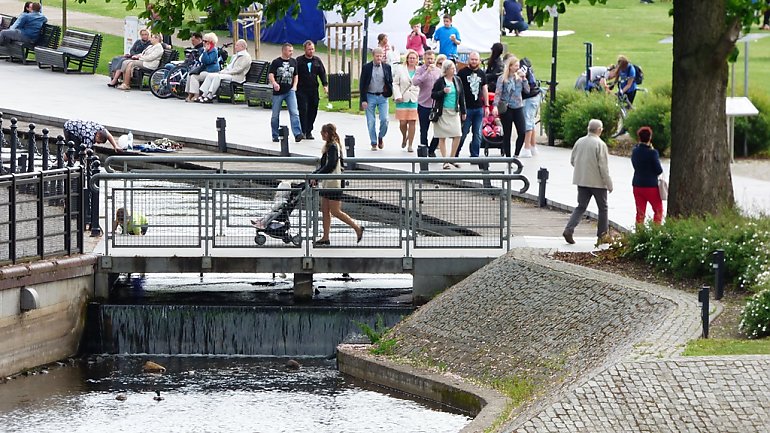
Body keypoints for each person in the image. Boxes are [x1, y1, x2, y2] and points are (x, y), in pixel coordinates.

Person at [562, 119, 613, 246]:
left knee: (581, 206)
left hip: (582, 180)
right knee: (603, 208)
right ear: (599, 130)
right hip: (597, 183)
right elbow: (603, 167)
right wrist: (609, 183)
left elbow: (572, 160)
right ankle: (602, 236)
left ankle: (569, 229)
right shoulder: (600, 144)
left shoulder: (580, 141)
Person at [312, 124, 364, 246]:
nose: (320, 134)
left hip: (334, 183)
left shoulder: (333, 147)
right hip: (327, 183)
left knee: (335, 211)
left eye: (322, 132)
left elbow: (330, 165)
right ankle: (325, 237)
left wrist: (317, 175)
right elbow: (325, 165)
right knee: (324, 210)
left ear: (326, 133)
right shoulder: (329, 146)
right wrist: (316, 174)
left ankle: (357, 227)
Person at [430, 60, 467, 169]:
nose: (454, 69)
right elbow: (433, 95)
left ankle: (452, 158)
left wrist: (463, 111)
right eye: (451, 68)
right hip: (442, 112)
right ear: (446, 70)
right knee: (442, 136)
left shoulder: (457, 80)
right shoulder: (440, 81)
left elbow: (461, 96)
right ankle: (445, 160)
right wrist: (442, 92)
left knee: (458, 134)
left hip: (454, 111)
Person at [359, 47, 393, 151]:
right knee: (371, 121)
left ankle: (380, 136)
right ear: (373, 56)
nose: (379, 58)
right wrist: (363, 100)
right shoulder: (367, 67)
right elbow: (362, 84)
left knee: (385, 119)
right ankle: (373, 142)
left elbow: (390, 81)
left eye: (381, 56)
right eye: (377, 56)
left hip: (382, 96)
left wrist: (388, 91)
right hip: (370, 96)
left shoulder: (387, 67)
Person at [269, 42, 303, 143]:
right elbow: (271, 74)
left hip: (290, 91)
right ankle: (275, 135)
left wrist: (295, 86)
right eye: (289, 51)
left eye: (292, 51)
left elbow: (296, 75)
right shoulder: (276, 62)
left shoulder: (294, 62)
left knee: (294, 112)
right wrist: (274, 83)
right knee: (275, 115)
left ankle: (297, 133)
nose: (291, 53)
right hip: (278, 92)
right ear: (284, 51)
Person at [456, 51, 488, 158]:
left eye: (476, 60)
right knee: (463, 133)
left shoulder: (482, 73)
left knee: (478, 134)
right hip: (466, 108)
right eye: (472, 59)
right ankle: (455, 154)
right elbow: (458, 90)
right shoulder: (462, 73)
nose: (474, 61)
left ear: (479, 61)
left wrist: (487, 105)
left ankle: (475, 156)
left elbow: (484, 89)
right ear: (468, 60)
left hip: (478, 108)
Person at [495, 56, 529, 157]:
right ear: (510, 67)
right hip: (507, 107)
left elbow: (527, 90)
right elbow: (498, 93)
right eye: (515, 66)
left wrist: (524, 79)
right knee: (507, 133)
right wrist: (495, 106)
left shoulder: (519, 78)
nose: (517, 68)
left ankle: (516, 154)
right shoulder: (502, 78)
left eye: (518, 66)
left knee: (522, 132)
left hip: (518, 106)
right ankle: (508, 157)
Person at [296, 40, 328, 140]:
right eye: (309, 49)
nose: (311, 51)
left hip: (313, 90)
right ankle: (303, 130)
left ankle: (309, 130)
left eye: (312, 49)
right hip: (302, 89)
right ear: (305, 49)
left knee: (313, 110)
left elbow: (322, 73)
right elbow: (295, 74)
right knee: (303, 109)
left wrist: (325, 85)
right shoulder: (299, 61)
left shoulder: (317, 61)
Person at [631, 126, 664, 225]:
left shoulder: (635, 151)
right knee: (658, 210)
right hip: (651, 186)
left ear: (639, 138)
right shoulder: (652, 153)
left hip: (637, 184)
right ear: (650, 138)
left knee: (640, 212)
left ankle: (639, 234)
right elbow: (659, 170)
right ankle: (655, 231)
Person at [413, 50, 442, 157]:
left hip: (436, 105)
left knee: (439, 130)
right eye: (428, 59)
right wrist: (427, 72)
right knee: (424, 130)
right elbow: (415, 82)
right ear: (424, 59)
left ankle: (432, 149)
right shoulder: (420, 70)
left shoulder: (438, 71)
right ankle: (424, 150)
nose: (430, 61)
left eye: (432, 59)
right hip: (424, 104)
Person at [392, 49, 420, 153]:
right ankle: (404, 136)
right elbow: (395, 83)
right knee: (403, 122)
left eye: (414, 58)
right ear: (407, 59)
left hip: (414, 98)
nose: (412, 60)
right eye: (410, 58)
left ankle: (410, 144)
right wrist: (397, 95)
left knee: (412, 122)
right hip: (402, 98)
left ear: (417, 60)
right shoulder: (400, 69)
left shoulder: (419, 70)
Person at [186, 32, 221, 102]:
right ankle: (190, 93)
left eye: (205, 41)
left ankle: (196, 94)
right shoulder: (205, 49)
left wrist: (205, 51)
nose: (203, 42)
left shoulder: (214, 50)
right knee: (190, 74)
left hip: (211, 71)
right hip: (204, 70)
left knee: (194, 77)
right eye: (203, 41)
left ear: (210, 42)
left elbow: (207, 61)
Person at [519, 57, 541, 157]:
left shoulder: (521, 67)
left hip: (529, 96)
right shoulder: (528, 65)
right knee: (531, 121)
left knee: (527, 121)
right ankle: (533, 147)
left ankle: (526, 148)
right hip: (535, 95)